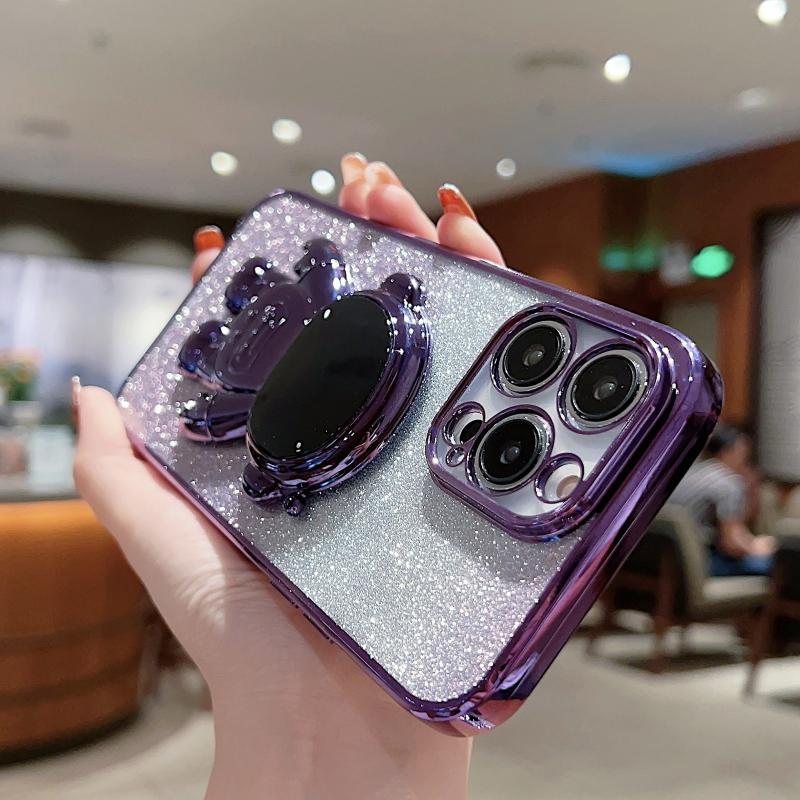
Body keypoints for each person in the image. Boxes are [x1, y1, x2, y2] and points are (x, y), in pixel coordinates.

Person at [73, 155, 504, 800]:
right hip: (299, 410)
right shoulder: (290, 333)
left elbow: (337, 273)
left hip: (337, 373)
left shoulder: (325, 300)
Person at [669, 425, 775, 577]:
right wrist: (759, 548)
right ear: (726, 452)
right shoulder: (728, 483)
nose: (746, 462)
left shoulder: (691, 473)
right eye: (744, 454)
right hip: (704, 563)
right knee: (778, 565)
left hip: (673, 563)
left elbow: (734, 527)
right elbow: (730, 544)